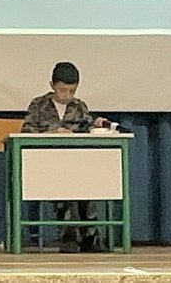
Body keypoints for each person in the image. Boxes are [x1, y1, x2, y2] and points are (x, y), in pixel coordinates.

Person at [21, 61, 108, 253]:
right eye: (62, 90)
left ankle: (90, 237)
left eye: (72, 91)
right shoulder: (38, 105)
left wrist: (96, 128)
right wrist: (51, 133)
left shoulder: (79, 106)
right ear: (52, 85)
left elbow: (87, 128)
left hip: (75, 162)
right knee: (63, 184)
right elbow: (26, 131)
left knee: (88, 185)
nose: (67, 95)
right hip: (46, 163)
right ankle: (68, 235)